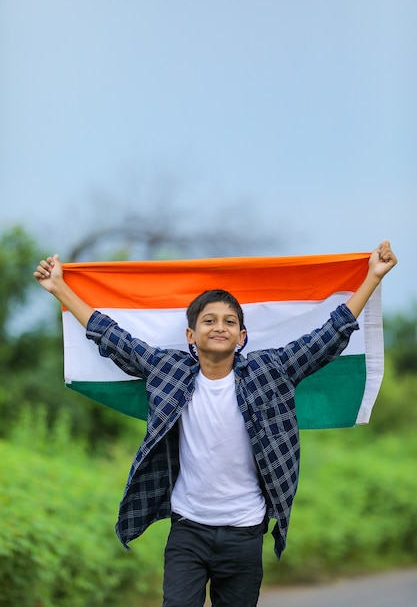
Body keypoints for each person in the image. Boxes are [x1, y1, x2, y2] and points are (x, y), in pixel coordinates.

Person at [34, 240, 397, 607]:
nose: (218, 327)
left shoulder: (268, 371)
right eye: (208, 320)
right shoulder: (169, 370)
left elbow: (329, 336)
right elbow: (113, 338)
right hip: (188, 529)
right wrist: (60, 287)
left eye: (229, 321)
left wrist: (372, 277)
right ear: (191, 336)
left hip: (245, 532)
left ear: (242, 336)